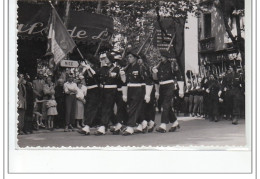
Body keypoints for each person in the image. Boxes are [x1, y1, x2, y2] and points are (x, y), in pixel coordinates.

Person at [119, 51, 151, 135]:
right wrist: (122, 76)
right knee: (135, 109)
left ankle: (130, 127)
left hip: (138, 90)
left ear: (135, 58)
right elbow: (125, 82)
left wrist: (147, 94)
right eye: (128, 57)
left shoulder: (140, 67)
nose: (129, 59)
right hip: (130, 90)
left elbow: (147, 80)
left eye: (130, 57)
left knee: (132, 109)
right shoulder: (128, 68)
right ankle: (143, 123)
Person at [152, 51, 180, 133]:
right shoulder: (159, 66)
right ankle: (175, 122)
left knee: (165, 105)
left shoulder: (171, 64)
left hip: (169, 86)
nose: (161, 58)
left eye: (163, 56)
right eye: (161, 56)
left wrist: (180, 88)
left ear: (167, 57)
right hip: (162, 87)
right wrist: (154, 73)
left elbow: (178, 74)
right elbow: (156, 79)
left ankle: (163, 125)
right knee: (167, 106)